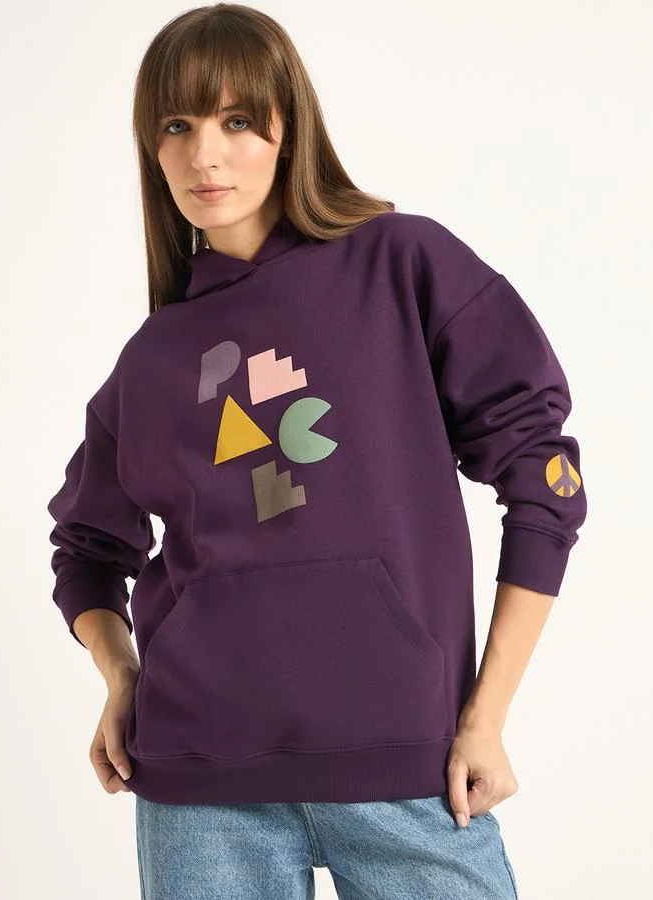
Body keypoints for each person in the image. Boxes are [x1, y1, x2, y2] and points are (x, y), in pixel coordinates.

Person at [45, 4, 587, 898]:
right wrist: (121, 675)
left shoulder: (401, 263)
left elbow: (546, 478)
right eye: (176, 126)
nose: (204, 154)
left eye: (237, 121)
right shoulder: (153, 358)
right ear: (151, 149)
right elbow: (86, 549)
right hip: (198, 786)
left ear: (288, 129)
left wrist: (486, 716)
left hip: (409, 766)